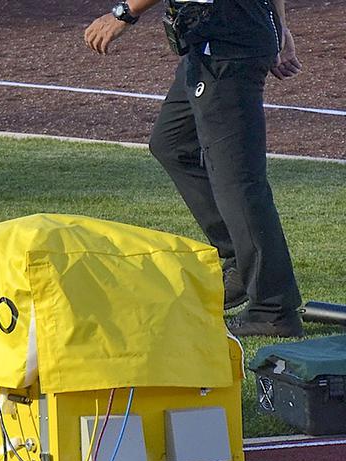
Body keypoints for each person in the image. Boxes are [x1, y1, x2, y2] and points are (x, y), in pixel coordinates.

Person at [84, 0, 304, 337]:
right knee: (172, 143)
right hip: (211, 47)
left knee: (239, 183)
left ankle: (274, 309)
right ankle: (239, 263)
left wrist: (125, 13)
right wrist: (279, 28)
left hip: (226, 51)